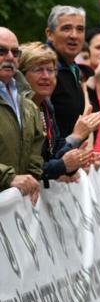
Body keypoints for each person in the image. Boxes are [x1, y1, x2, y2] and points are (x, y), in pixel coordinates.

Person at [18, 42, 100, 182]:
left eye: (50, 70)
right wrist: (76, 136)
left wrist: (79, 157)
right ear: (21, 75)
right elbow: (27, 169)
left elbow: (55, 154)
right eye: (38, 70)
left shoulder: (46, 106)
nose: (46, 76)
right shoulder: (18, 109)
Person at [0, 29, 44, 203]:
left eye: (15, 52)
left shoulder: (27, 100)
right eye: (1, 51)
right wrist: (8, 177)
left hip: (15, 207)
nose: (10, 57)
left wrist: (30, 179)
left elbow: (36, 146)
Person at [45, 5, 89, 139]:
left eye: (80, 29)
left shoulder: (74, 68)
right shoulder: (44, 67)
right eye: (66, 28)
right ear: (50, 34)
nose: (74, 35)